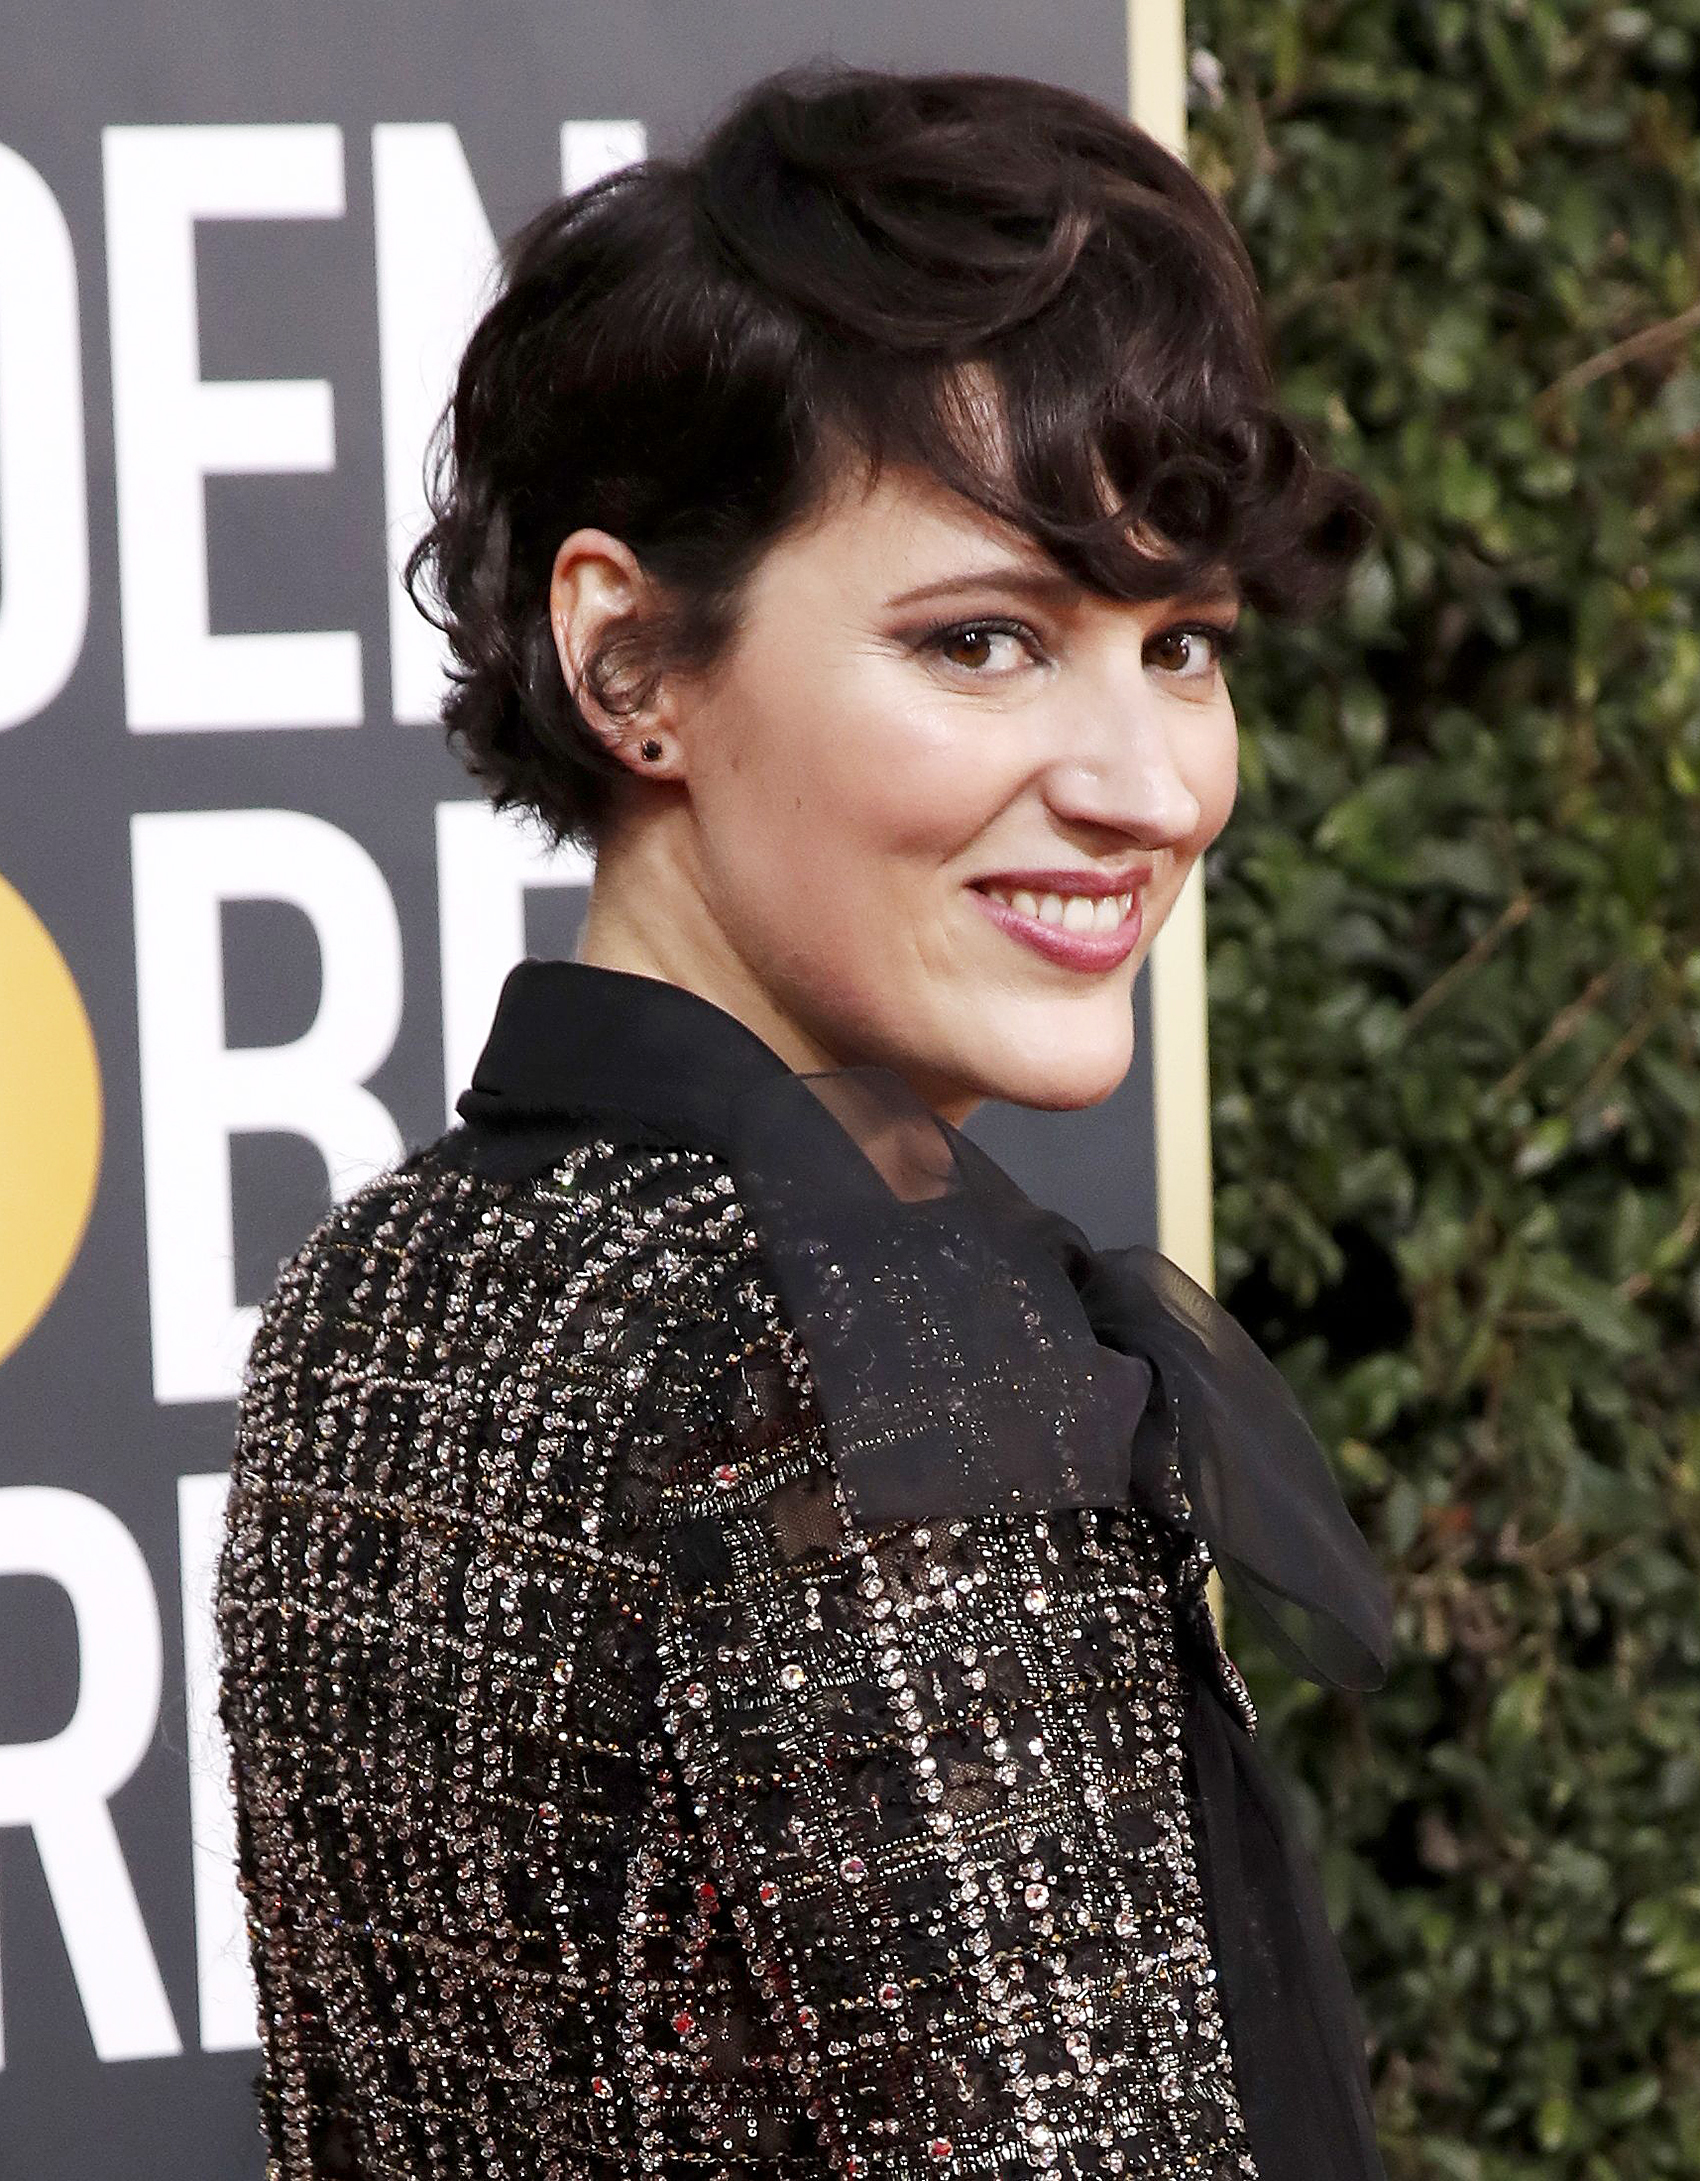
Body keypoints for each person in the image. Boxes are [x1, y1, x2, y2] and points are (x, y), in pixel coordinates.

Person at [216, 59, 1395, 2181]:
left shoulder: (373, 1286)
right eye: (986, 641)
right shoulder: (889, 1376)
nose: (1149, 786)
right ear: (628, 660)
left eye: (1183, 644)